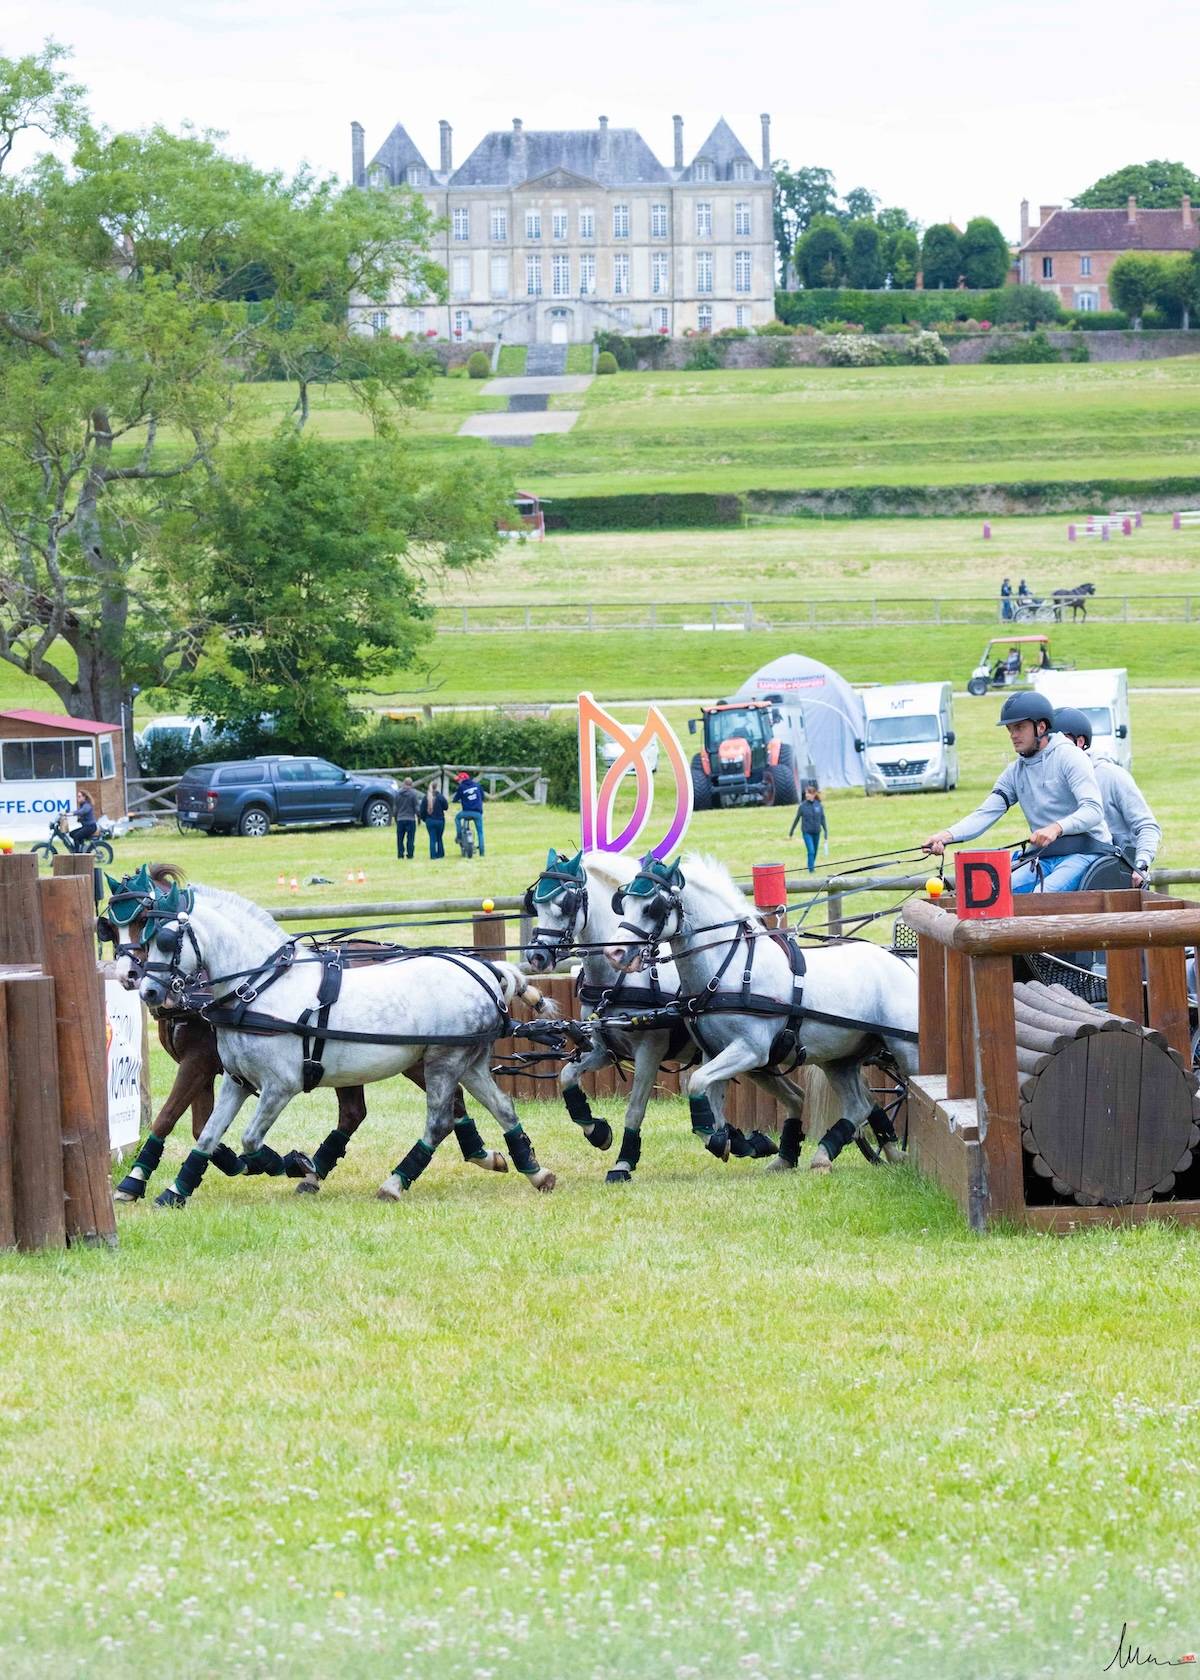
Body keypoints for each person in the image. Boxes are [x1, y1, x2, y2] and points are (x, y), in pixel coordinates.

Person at [922, 692, 1112, 894]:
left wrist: (1056, 828)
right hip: (1044, 856)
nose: (1013, 735)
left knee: (1041, 896)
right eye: (1010, 729)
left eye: (1020, 727)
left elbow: (1093, 810)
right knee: (996, 894)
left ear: (1041, 727)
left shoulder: (1070, 756)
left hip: (1087, 851)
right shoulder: (1014, 772)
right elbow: (985, 814)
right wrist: (946, 836)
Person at [1053, 707, 1161, 887]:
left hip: (1114, 874)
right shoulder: (1054, 781)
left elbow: (1147, 826)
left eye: (1060, 742)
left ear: (1080, 742)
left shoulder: (1111, 775)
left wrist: (1141, 864)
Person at [789, 782, 828, 872]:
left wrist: (825, 831)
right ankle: (811, 870)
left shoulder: (819, 805)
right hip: (807, 832)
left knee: (815, 852)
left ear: (813, 794)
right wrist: (791, 831)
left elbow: (822, 819)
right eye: (806, 793)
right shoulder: (802, 806)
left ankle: (811, 865)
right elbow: (797, 819)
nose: (807, 795)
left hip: (817, 832)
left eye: (809, 793)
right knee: (811, 851)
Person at [452, 770, 486, 857]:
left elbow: (455, 799)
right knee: (480, 832)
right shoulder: (477, 785)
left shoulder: (461, 787)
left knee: (457, 818)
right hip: (478, 813)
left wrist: (457, 800)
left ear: (462, 779)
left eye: (458, 780)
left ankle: (459, 836)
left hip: (466, 812)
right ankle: (482, 852)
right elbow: (483, 797)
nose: (458, 782)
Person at [393, 776, 421, 860]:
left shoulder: (398, 794)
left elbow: (395, 808)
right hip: (410, 819)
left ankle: (400, 854)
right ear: (411, 785)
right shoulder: (413, 794)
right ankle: (410, 854)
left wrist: (395, 818)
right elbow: (416, 808)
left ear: (403, 783)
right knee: (410, 839)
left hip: (400, 818)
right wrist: (419, 818)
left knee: (400, 839)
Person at [421, 779, 448, 860]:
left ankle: (433, 855)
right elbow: (446, 807)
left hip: (430, 820)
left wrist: (424, 819)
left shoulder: (426, 798)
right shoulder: (440, 797)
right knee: (439, 838)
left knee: (432, 838)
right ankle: (440, 854)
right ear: (437, 787)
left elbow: (422, 810)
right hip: (440, 820)